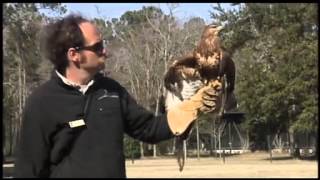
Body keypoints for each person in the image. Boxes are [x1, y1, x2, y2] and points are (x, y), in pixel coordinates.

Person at [14, 14, 219, 178]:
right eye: (97, 47)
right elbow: (28, 170)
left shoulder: (111, 90)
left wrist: (192, 107)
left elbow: (148, 128)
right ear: (73, 55)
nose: (106, 51)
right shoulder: (42, 102)